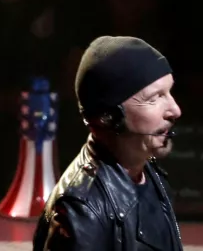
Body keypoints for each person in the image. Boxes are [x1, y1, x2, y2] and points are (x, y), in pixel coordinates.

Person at [33, 35, 184, 251]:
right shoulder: (83, 211)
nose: (175, 110)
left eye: (169, 92)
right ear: (108, 117)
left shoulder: (152, 178)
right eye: (155, 97)